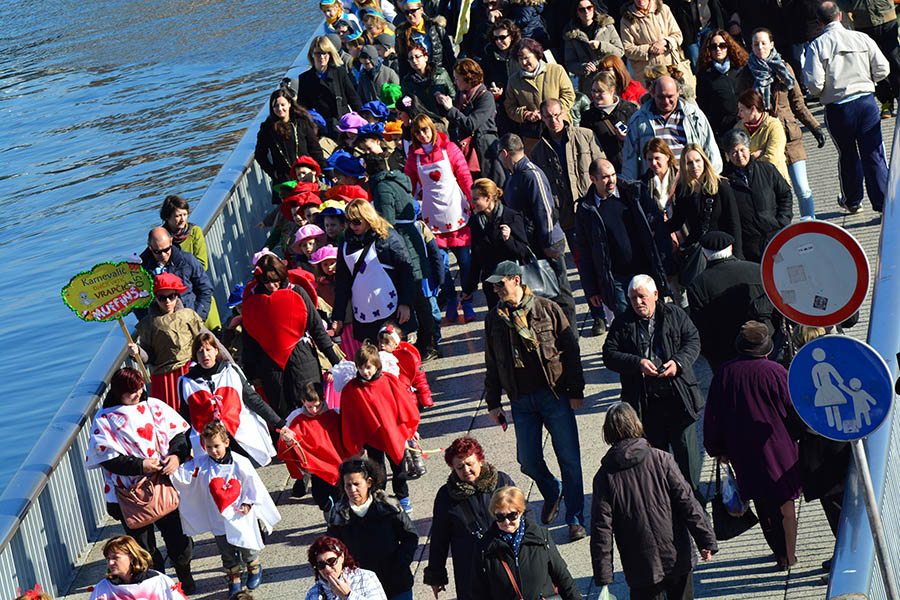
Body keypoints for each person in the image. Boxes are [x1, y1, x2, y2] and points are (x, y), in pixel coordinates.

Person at [483, 261, 587, 541]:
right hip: (521, 400)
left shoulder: (547, 309)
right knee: (527, 459)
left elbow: (572, 350)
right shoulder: (494, 319)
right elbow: (492, 363)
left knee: (570, 459)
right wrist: (493, 403)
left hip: (554, 395)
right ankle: (553, 491)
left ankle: (575, 518)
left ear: (516, 280)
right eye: (493, 285)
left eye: (500, 284)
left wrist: (576, 391)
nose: (496, 289)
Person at [591, 402, 717, 599]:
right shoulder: (661, 459)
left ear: (608, 432)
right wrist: (705, 539)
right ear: (636, 425)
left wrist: (603, 575)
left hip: (641, 566)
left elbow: (601, 530)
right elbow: (688, 503)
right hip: (676, 556)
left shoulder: (604, 477)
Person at [86, 368, 195, 592]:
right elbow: (107, 458)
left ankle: (184, 571)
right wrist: (140, 465)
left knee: (178, 537)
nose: (137, 395)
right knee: (143, 546)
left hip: (164, 484)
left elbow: (179, 435)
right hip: (130, 494)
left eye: (138, 390)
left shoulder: (154, 406)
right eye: (130, 392)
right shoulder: (105, 419)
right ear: (119, 393)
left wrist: (176, 456)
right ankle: (157, 584)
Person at [704, 321, 801, 570]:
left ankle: (778, 552)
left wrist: (717, 449)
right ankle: (788, 555)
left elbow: (713, 415)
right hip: (778, 447)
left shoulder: (724, 374)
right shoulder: (776, 372)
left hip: (742, 449)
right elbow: (794, 410)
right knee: (784, 502)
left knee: (762, 502)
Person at [603, 275, 705, 501]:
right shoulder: (623, 322)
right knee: (657, 459)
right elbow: (609, 355)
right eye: (633, 298)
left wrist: (677, 362)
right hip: (646, 404)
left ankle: (693, 503)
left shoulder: (674, 314)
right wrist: (636, 363)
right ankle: (669, 504)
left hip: (679, 398)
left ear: (655, 295)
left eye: (642, 297)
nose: (638, 302)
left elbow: (693, 340)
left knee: (687, 458)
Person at [171, 422, 281, 594]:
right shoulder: (202, 463)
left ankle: (254, 568)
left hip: (239, 514)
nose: (213, 451)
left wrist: (248, 501)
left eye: (216, 446)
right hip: (218, 516)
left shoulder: (240, 463)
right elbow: (183, 473)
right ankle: (233, 578)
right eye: (208, 447)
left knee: (247, 545)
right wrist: (171, 467)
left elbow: (252, 485)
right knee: (225, 550)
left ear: (226, 443)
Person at [802, 0, 889, 213]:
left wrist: (824, 92)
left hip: (839, 106)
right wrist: (869, 80)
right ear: (840, 16)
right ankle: (883, 202)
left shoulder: (817, 45)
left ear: (820, 22)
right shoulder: (861, 37)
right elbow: (883, 69)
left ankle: (853, 200)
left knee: (848, 154)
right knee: (874, 153)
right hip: (866, 101)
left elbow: (813, 84)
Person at [737, 28, 825, 218]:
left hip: (790, 136)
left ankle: (810, 226)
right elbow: (742, 110)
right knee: (775, 195)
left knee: (802, 189)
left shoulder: (784, 68)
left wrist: (815, 127)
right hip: (763, 139)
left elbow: (798, 103)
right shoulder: (747, 74)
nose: (760, 47)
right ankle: (783, 235)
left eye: (763, 43)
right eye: (755, 44)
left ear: (772, 45)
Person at [241, 253, 341, 419]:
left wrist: (335, 362)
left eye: (275, 280)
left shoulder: (297, 292)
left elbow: (316, 328)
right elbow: (249, 340)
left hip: (302, 358)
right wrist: (251, 375)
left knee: (313, 407)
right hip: (271, 365)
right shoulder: (253, 302)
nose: (271, 286)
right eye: (266, 282)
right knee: (285, 414)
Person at [499, 134, 578, 336]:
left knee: (558, 292)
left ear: (505, 153)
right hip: (531, 244)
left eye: (499, 155)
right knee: (542, 294)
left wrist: (546, 244)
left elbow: (544, 211)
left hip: (547, 243)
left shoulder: (530, 174)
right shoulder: (514, 176)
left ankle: (570, 337)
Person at [576, 158, 671, 319]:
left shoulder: (635, 193)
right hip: (616, 279)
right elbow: (584, 253)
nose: (611, 180)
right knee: (626, 324)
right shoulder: (586, 210)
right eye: (605, 177)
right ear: (593, 179)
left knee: (655, 318)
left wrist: (664, 264)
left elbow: (658, 228)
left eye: (613, 174)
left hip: (645, 271)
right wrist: (591, 289)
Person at [402, 114, 474, 324]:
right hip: (432, 217)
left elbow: (464, 175)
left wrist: (473, 201)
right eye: (418, 132)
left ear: (432, 129)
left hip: (456, 212)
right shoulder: (413, 157)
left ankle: (467, 299)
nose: (423, 135)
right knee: (440, 265)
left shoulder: (450, 148)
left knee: (466, 262)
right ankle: (451, 299)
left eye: (425, 129)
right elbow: (409, 184)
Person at [424, 437, 516, 600]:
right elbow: (439, 538)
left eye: (469, 464)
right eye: (459, 467)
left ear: (480, 460)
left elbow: (524, 514)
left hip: (506, 561)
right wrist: (436, 575)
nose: (466, 470)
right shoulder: (446, 495)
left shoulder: (501, 481)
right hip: (470, 568)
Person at [178, 332, 285, 467]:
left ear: (216, 351)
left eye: (208, 349)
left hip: (239, 434)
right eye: (200, 351)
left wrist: (279, 424)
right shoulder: (186, 382)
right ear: (195, 356)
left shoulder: (231, 371)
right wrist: (183, 452)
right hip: (209, 444)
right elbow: (186, 419)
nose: (205, 355)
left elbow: (253, 400)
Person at [338, 344, 420, 511]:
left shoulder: (388, 381)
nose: (365, 372)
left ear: (377, 365)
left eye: (368, 367)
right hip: (372, 438)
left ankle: (403, 498)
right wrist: (356, 444)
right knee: (377, 471)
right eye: (361, 368)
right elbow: (350, 418)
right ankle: (380, 498)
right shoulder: (352, 389)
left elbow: (403, 406)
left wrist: (411, 430)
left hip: (393, 434)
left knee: (400, 469)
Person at [326, 458, 418, 600]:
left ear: (369, 482)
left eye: (356, 484)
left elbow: (410, 537)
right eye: (347, 485)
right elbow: (332, 549)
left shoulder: (388, 505)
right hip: (360, 587)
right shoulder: (338, 515)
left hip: (396, 582)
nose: (352, 490)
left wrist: (400, 564)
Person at [471, 486, 581, 599]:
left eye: (512, 515)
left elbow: (562, 577)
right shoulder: (484, 547)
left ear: (521, 512)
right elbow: (478, 592)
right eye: (500, 517)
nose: (507, 522)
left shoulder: (540, 536)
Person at [687, 231, 774, 373]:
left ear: (704, 254)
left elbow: (702, 330)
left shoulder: (698, 285)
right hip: (765, 346)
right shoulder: (758, 270)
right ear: (731, 248)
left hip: (727, 357)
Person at [333, 198, 417, 341]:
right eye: (348, 222)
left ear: (367, 218)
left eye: (357, 222)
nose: (352, 226)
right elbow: (342, 281)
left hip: (391, 307)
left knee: (397, 353)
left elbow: (406, 271)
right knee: (371, 359)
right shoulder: (345, 243)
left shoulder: (387, 237)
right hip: (364, 311)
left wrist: (406, 303)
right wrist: (338, 316)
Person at [530, 98, 605, 255]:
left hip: (593, 206)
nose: (554, 120)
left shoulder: (586, 136)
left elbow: (602, 168)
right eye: (549, 117)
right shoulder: (537, 152)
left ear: (563, 113)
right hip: (566, 215)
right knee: (582, 261)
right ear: (542, 118)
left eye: (557, 115)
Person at [130, 273, 209, 410]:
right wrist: (137, 352)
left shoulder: (188, 315)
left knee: (201, 409)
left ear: (177, 295)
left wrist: (225, 361)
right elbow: (148, 356)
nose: (167, 301)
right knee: (171, 418)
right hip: (164, 379)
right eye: (162, 298)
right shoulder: (148, 323)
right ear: (155, 298)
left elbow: (205, 341)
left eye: (171, 296)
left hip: (190, 370)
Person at [621, 76, 722, 181]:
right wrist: (631, 186)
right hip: (656, 184)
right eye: (661, 97)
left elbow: (710, 148)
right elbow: (630, 158)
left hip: (689, 182)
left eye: (670, 96)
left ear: (678, 92)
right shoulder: (639, 120)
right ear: (652, 94)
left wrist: (711, 180)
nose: (666, 101)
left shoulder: (693, 115)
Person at [720, 130, 793, 263]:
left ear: (748, 148)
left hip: (775, 236)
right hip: (749, 245)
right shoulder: (724, 182)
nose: (739, 155)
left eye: (742, 149)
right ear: (728, 155)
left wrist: (783, 221)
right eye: (734, 152)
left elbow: (785, 195)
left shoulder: (767, 169)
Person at [668, 144, 742, 270]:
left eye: (697, 161)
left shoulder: (721, 185)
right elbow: (677, 221)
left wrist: (738, 255)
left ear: (704, 161)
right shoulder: (683, 189)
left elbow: (734, 222)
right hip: (699, 250)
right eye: (689, 163)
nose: (694, 166)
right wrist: (656, 228)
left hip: (721, 250)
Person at [435, 58, 506, 185]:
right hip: (466, 149)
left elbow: (471, 124)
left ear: (468, 78)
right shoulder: (461, 95)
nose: (455, 83)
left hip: (484, 151)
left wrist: (451, 109)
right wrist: (443, 105)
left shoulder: (486, 96)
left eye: (457, 79)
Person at [463, 178, 532, 309]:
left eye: (476, 198)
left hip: (512, 283)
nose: (472, 202)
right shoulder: (476, 222)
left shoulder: (511, 217)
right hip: (491, 284)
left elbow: (524, 252)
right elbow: (476, 258)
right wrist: (469, 287)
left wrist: (508, 240)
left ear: (488, 198)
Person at [279, 381, 348, 507]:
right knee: (321, 499)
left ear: (322, 399)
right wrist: (287, 438)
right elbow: (286, 441)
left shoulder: (334, 414)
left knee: (340, 499)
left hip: (336, 465)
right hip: (315, 468)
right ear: (303, 401)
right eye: (309, 406)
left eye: (317, 405)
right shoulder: (295, 417)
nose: (314, 410)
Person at [159, 195, 221, 331]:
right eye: (177, 216)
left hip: (196, 290)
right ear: (167, 217)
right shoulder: (161, 239)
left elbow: (202, 263)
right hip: (173, 299)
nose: (183, 219)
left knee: (213, 337)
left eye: (185, 214)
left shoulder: (194, 232)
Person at [254, 89, 327, 204]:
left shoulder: (301, 123)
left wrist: (324, 170)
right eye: (276, 106)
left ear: (289, 104)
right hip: (285, 179)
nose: (279, 109)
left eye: (282, 105)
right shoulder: (267, 128)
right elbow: (259, 154)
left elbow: (315, 149)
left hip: (305, 174)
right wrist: (273, 172)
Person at [504, 38, 576, 149]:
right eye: (520, 59)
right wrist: (526, 114)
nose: (524, 62)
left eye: (527, 58)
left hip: (560, 127)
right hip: (533, 133)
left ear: (537, 55)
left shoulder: (556, 70)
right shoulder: (514, 80)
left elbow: (569, 95)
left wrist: (552, 113)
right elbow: (510, 107)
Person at [138, 227, 213, 322]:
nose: (163, 255)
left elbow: (205, 288)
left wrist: (198, 316)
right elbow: (136, 302)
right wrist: (149, 321)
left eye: (166, 250)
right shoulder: (140, 269)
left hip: (189, 320)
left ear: (171, 242)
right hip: (159, 325)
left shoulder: (187, 260)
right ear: (150, 247)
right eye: (157, 252)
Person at [298, 36, 363, 136]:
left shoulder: (339, 72)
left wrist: (362, 121)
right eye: (317, 53)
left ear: (330, 54)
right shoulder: (305, 79)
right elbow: (303, 108)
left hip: (345, 124)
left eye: (325, 53)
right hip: (323, 128)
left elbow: (353, 98)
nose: (321, 57)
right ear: (312, 55)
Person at [89, 536, 187, 600]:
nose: (110, 563)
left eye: (115, 558)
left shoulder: (159, 581)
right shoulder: (102, 588)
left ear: (131, 557)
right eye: (108, 559)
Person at [580, 71, 639, 172]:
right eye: (593, 91)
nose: (595, 95)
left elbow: (642, 138)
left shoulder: (630, 109)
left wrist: (627, 138)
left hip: (631, 167)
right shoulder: (588, 117)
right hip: (604, 171)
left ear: (612, 91)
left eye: (600, 91)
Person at [563, 0, 624, 94]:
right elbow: (570, 63)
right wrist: (583, 67)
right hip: (589, 83)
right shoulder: (571, 34)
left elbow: (620, 51)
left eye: (589, 8)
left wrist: (601, 45)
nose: (586, 12)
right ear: (577, 13)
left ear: (594, 8)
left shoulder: (606, 26)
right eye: (582, 10)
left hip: (610, 78)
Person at [619, 0, 685, 88]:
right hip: (647, 73)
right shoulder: (626, 19)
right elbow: (628, 49)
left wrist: (665, 42)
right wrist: (650, 49)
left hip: (670, 66)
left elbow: (678, 35)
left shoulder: (664, 9)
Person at [695, 29, 747, 139]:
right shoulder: (705, 76)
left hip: (745, 121)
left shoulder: (740, 68)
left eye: (722, 45)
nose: (718, 49)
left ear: (729, 46)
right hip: (722, 129)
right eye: (714, 47)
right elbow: (703, 105)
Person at [304, 535, 388, 600]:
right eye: (321, 565)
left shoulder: (365, 577)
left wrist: (348, 595)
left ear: (342, 557)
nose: (327, 568)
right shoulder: (313, 594)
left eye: (331, 561)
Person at [736, 88, 789, 183]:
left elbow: (773, 158)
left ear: (753, 109)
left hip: (775, 181)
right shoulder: (739, 127)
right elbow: (732, 154)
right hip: (752, 183)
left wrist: (749, 160)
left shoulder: (773, 126)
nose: (739, 114)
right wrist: (758, 154)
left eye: (741, 110)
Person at [394, 0, 456, 78]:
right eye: (406, 12)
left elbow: (449, 56)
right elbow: (402, 62)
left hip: (438, 76)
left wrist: (452, 77)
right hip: (416, 79)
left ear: (421, 10)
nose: (410, 15)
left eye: (413, 11)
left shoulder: (436, 28)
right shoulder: (402, 34)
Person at [400, 43, 455, 116]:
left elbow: (453, 95)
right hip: (421, 120)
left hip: (442, 117)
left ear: (426, 57)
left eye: (417, 57)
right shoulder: (407, 81)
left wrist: (445, 100)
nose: (414, 61)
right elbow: (407, 104)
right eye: (411, 58)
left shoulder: (441, 74)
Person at [640, 137, 678, 217]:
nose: (653, 163)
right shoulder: (642, 184)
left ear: (667, 157)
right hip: (656, 227)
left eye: (657, 158)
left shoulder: (681, 178)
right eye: (650, 159)